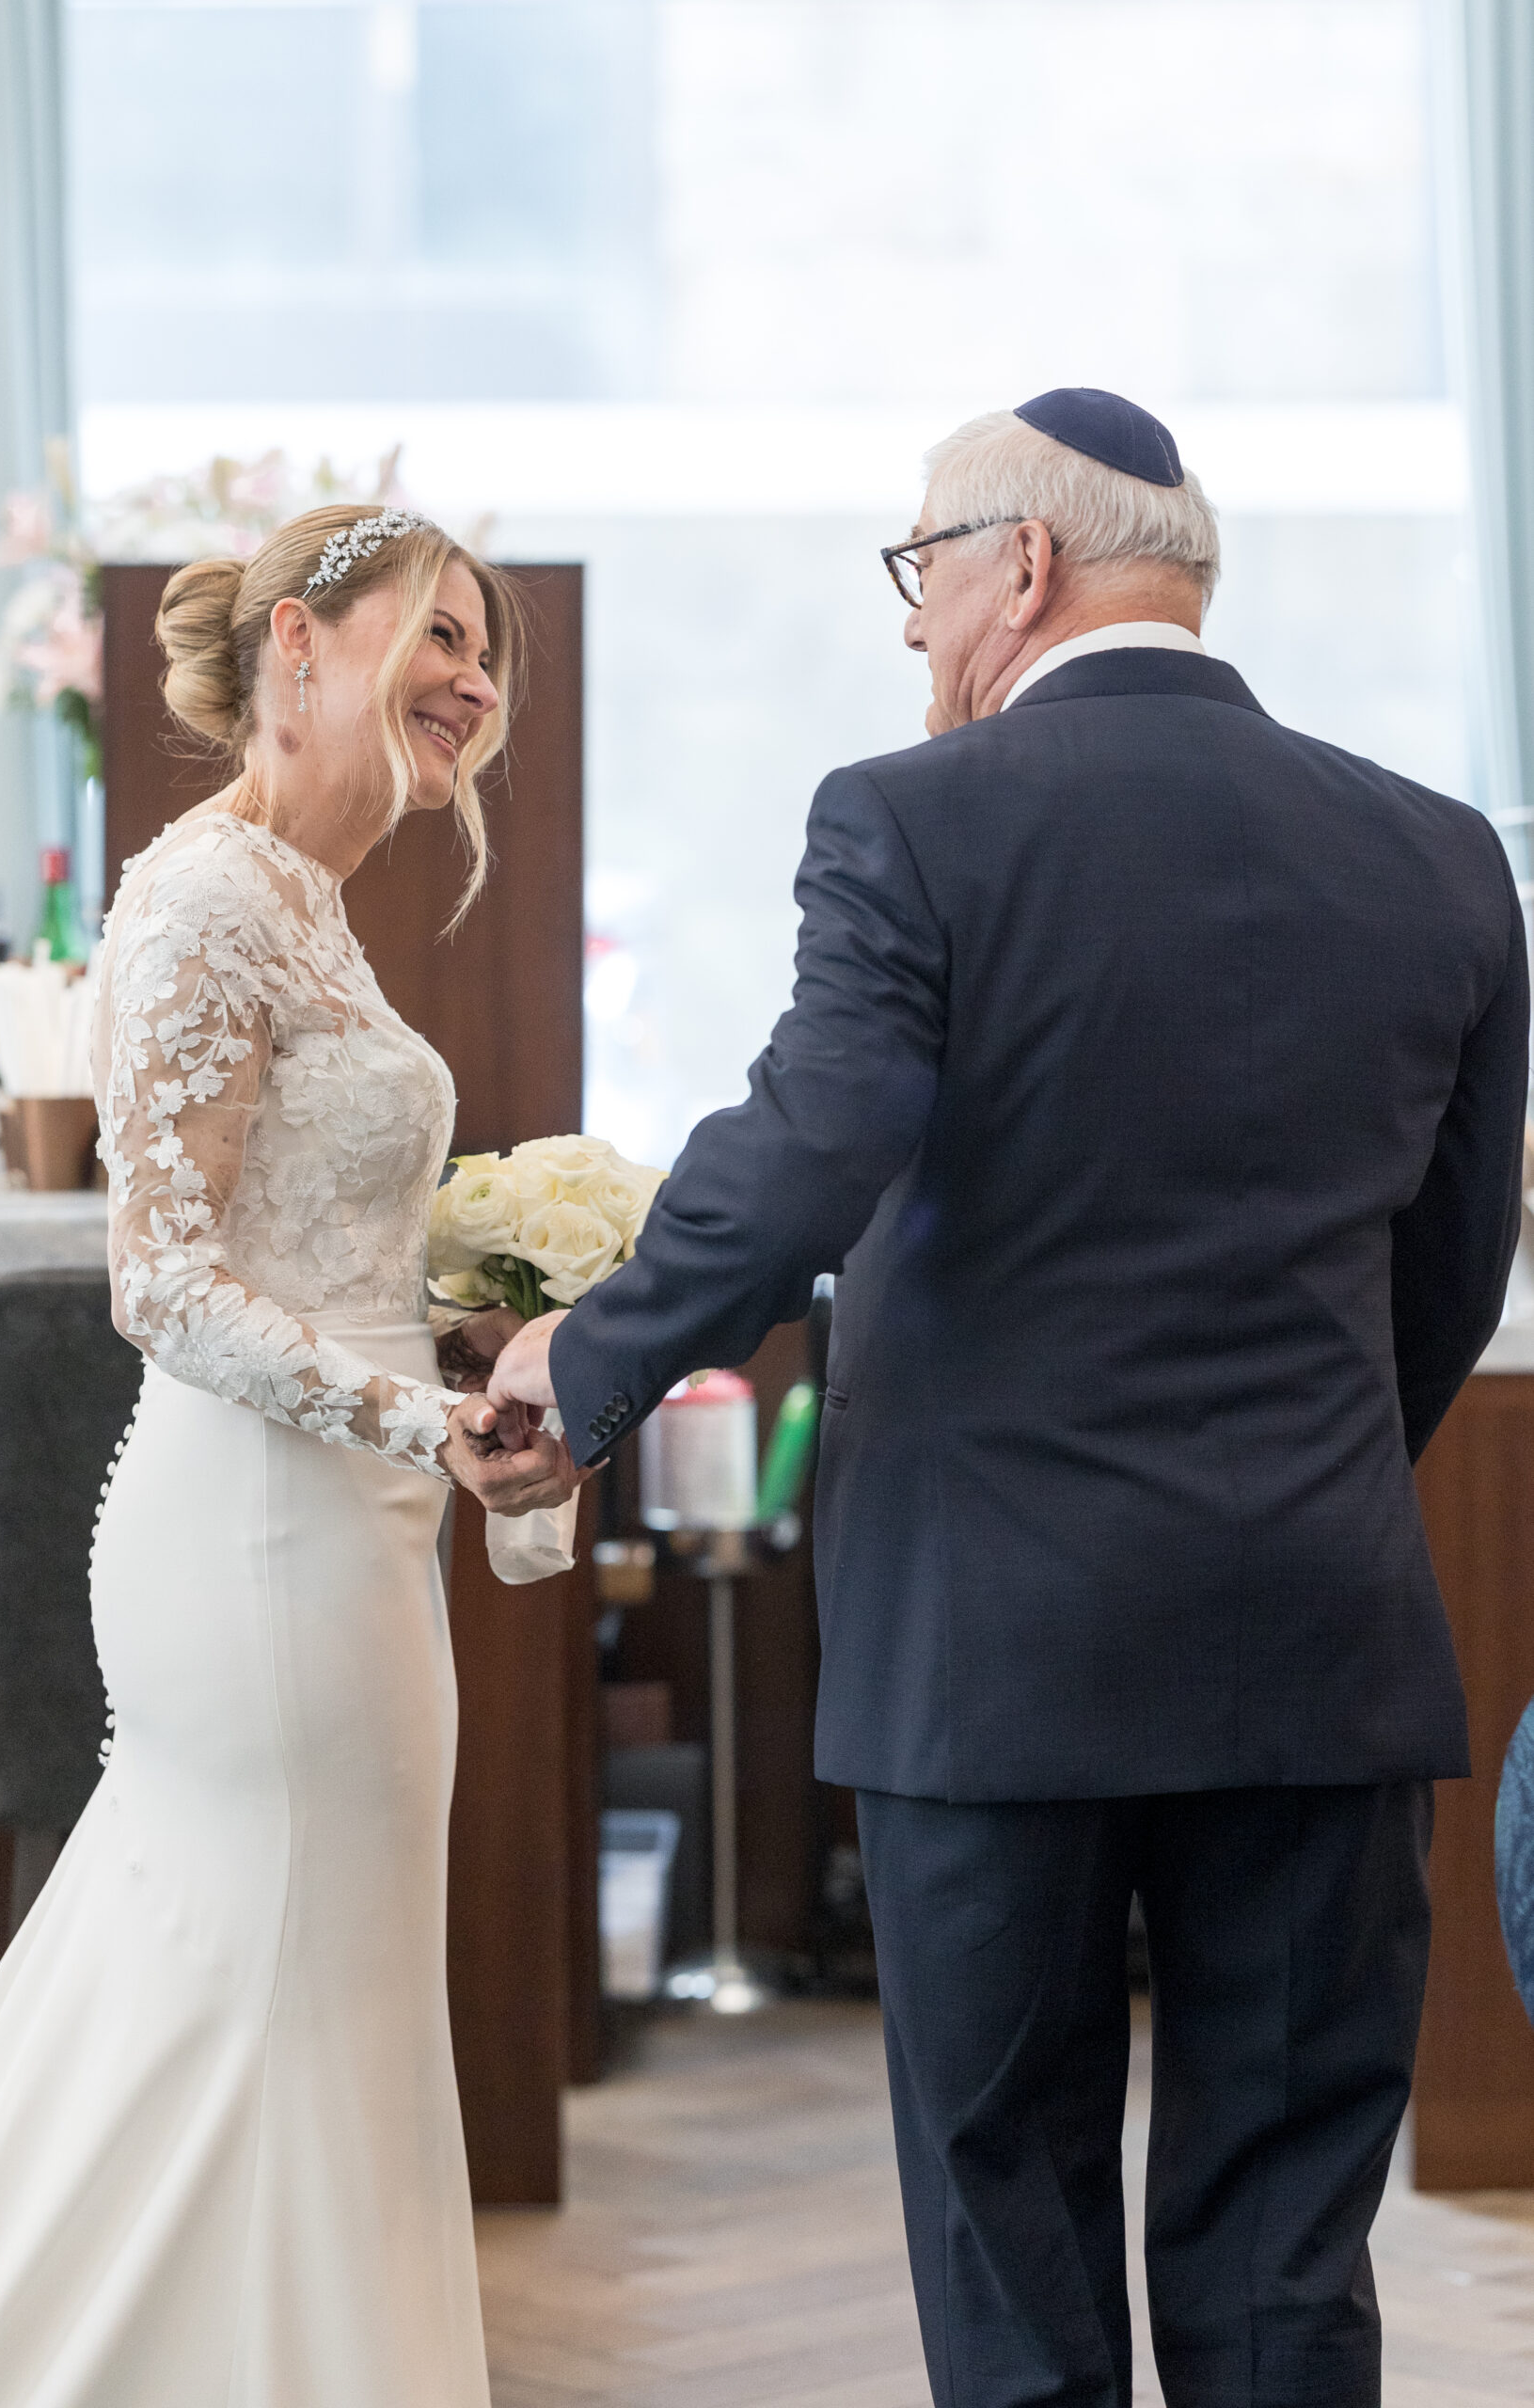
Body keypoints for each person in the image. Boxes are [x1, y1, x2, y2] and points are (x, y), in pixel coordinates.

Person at [490, 390, 1530, 2408]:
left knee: (1009, 2256)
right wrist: (1295, 1484)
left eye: (918, 569)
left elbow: (812, 1145)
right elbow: (1446, 1269)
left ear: (1021, 563)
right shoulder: (1433, 851)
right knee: (1283, 2273)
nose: (909, 625)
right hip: (1316, 1644)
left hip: (992, 1656)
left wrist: (586, 1359)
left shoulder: (909, 820)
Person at [0, 505, 580, 2407]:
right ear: (299, 642)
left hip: (351, 1525)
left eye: (489, 651)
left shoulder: (303, 892)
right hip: (267, 1539)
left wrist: (469, 1320)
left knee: (325, 2014)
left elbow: (315, 1235)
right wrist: (420, 1414)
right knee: (268, 1994)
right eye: (434, 633)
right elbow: (165, 1285)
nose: (470, 674)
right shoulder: (205, 896)